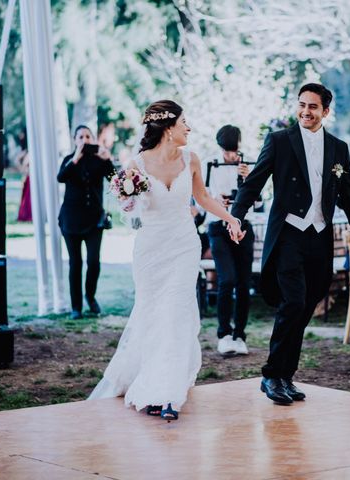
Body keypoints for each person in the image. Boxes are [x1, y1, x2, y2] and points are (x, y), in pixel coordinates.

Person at [89, 100, 242, 421]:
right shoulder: (137, 163)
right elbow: (128, 206)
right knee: (153, 313)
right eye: (184, 122)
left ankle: (167, 391)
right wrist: (128, 203)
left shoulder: (193, 159)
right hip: (151, 249)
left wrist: (231, 218)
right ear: (168, 128)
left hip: (185, 245)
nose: (189, 128)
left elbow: (202, 198)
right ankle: (146, 376)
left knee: (175, 314)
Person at [231, 83, 350, 405]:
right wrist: (236, 216)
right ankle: (271, 375)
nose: (306, 111)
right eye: (302, 105)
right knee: (293, 302)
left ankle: (285, 376)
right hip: (289, 234)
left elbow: (349, 195)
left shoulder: (338, 148)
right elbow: (255, 182)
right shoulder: (280, 141)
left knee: (307, 305)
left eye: (313, 107)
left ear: (326, 111)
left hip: (320, 237)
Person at [206, 125, 255, 355]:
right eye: (226, 152)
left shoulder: (248, 165)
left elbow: (258, 202)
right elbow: (200, 198)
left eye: (233, 151)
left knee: (244, 283)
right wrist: (216, 201)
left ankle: (240, 335)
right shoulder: (210, 165)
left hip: (243, 227)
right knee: (227, 280)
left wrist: (247, 180)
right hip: (218, 227)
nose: (230, 156)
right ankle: (224, 333)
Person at [57, 125, 115, 320]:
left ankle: (90, 297)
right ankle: (76, 307)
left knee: (93, 262)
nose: (84, 140)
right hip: (70, 220)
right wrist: (75, 159)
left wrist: (108, 160)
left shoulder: (100, 160)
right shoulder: (69, 160)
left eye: (88, 136)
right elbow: (61, 177)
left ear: (93, 139)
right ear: (75, 140)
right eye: (80, 137)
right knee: (75, 263)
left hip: (94, 220)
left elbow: (115, 180)